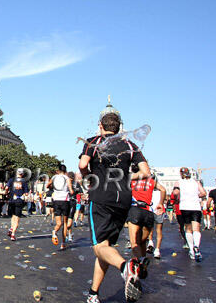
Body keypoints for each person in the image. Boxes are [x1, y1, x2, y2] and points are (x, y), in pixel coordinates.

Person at [79, 112, 151, 303]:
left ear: (100, 126)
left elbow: (83, 164)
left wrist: (88, 177)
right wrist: (126, 177)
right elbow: (146, 172)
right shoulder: (130, 145)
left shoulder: (94, 142)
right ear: (119, 128)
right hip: (123, 199)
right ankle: (93, 293)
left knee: (99, 248)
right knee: (105, 247)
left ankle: (125, 268)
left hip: (101, 196)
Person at [127, 171, 165, 279]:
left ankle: (141, 261)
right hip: (148, 211)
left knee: (134, 243)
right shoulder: (151, 181)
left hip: (135, 209)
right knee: (143, 242)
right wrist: (161, 203)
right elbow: (163, 189)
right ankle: (141, 267)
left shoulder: (132, 179)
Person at [172, 167, 207, 262]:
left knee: (188, 228)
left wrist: (178, 197)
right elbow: (203, 193)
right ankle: (197, 246)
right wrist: (196, 195)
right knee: (196, 228)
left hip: (185, 206)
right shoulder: (196, 182)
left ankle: (191, 249)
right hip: (195, 206)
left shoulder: (178, 182)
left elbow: (175, 192)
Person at [47, 165, 73, 249]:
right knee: (64, 223)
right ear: (65, 171)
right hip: (65, 201)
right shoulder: (67, 178)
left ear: (58, 170)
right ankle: (63, 243)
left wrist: (53, 187)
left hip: (56, 201)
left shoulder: (54, 177)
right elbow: (71, 191)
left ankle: (54, 231)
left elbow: (47, 186)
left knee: (58, 223)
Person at [146, 175, 167, 259]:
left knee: (150, 228)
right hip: (157, 210)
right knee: (158, 230)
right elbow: (164, 191)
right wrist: (161, 203)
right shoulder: (160, 188)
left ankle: (151, 243)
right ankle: (156, 249)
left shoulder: (149, 186)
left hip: (152, 209)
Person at [7, 168, 30, 241]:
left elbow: (6, 188)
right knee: (17, 218)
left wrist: (7, 194)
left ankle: (11, 228)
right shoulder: (24, 181)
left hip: (12, 200)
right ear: (22, 174)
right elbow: (26, 193)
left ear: (17, 173)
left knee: (13, 215)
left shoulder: (11, 180)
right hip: (19, 201)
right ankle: (13, 234)